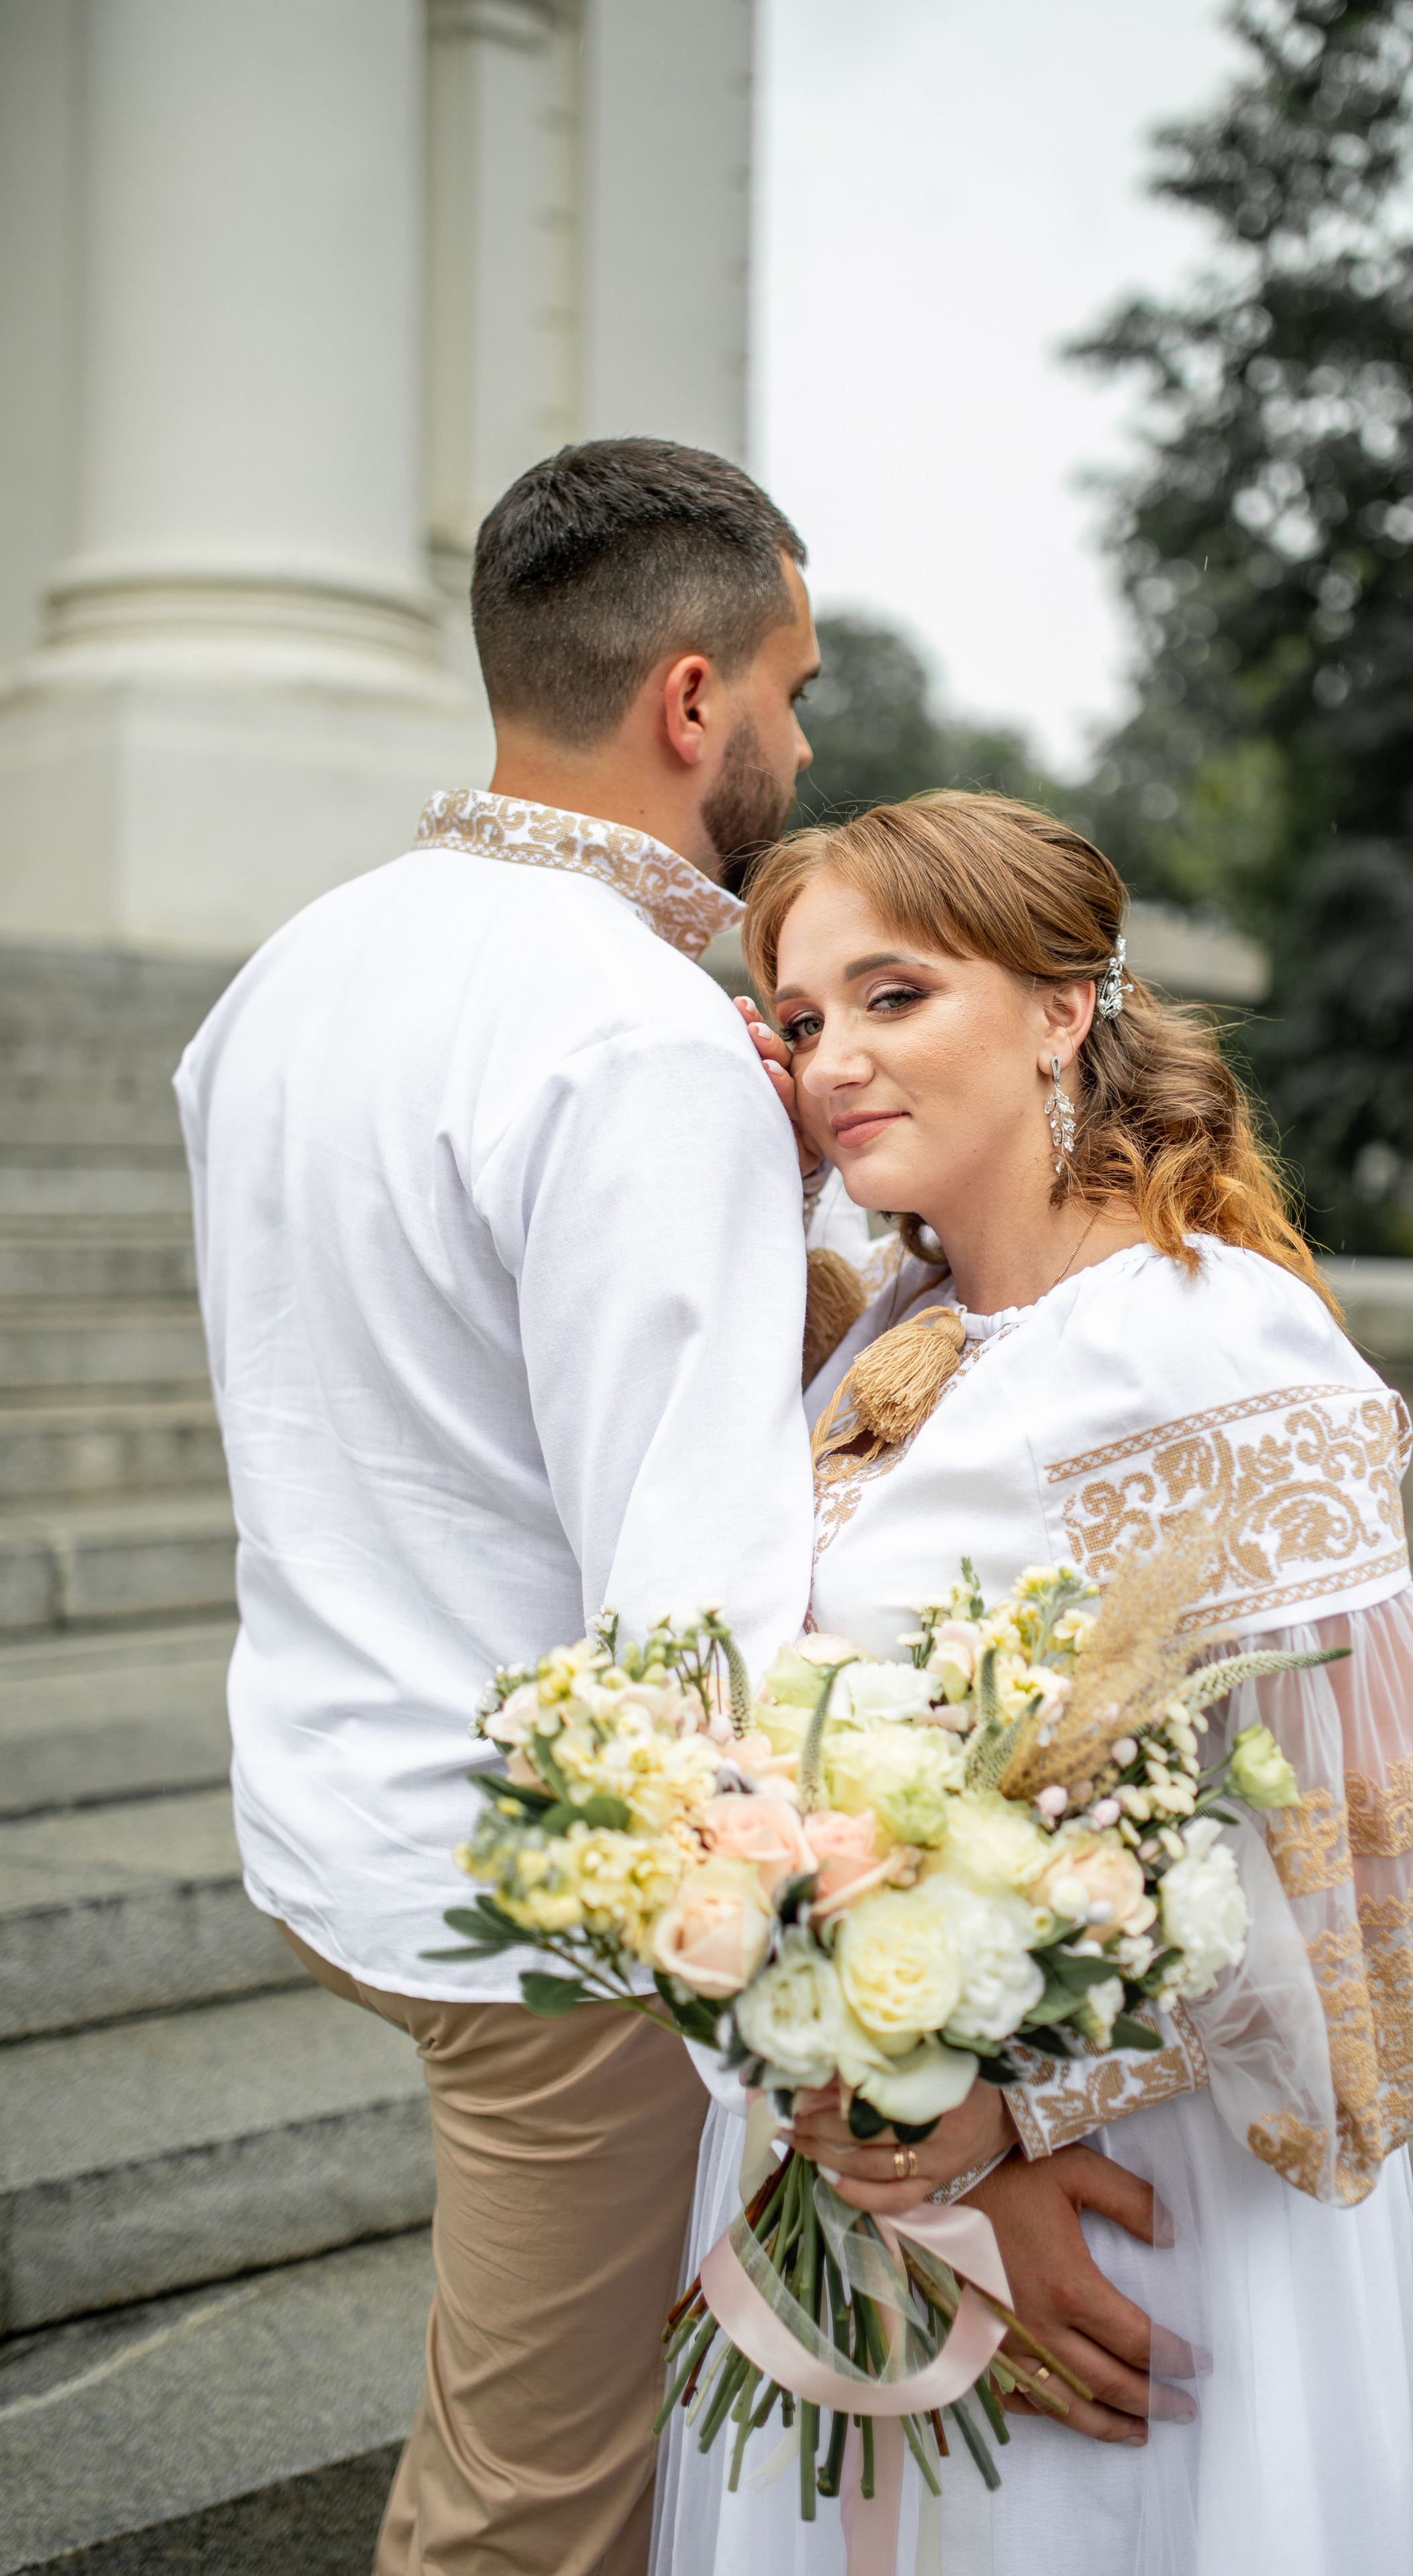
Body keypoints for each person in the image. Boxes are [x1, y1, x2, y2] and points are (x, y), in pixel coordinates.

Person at [654, 792, 1413, 2576]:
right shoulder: (878, 1325)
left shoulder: (1210, 1345)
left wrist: (1017, 2119)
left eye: (895, 997)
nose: (834, 1060)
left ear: (1060, 1008)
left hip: (1143, 2189)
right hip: (866, 2145)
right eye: (800, 1022)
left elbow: (1344, 1857)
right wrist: (858, 2073)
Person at [174, 439, 826, 2576]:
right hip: (543, 1897)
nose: (803, 747)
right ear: (694, 699)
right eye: (796, 692)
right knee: (522, 2516)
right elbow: (692, 1580)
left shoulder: (290, 969)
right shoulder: (636, 1033)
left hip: (328, 1791)